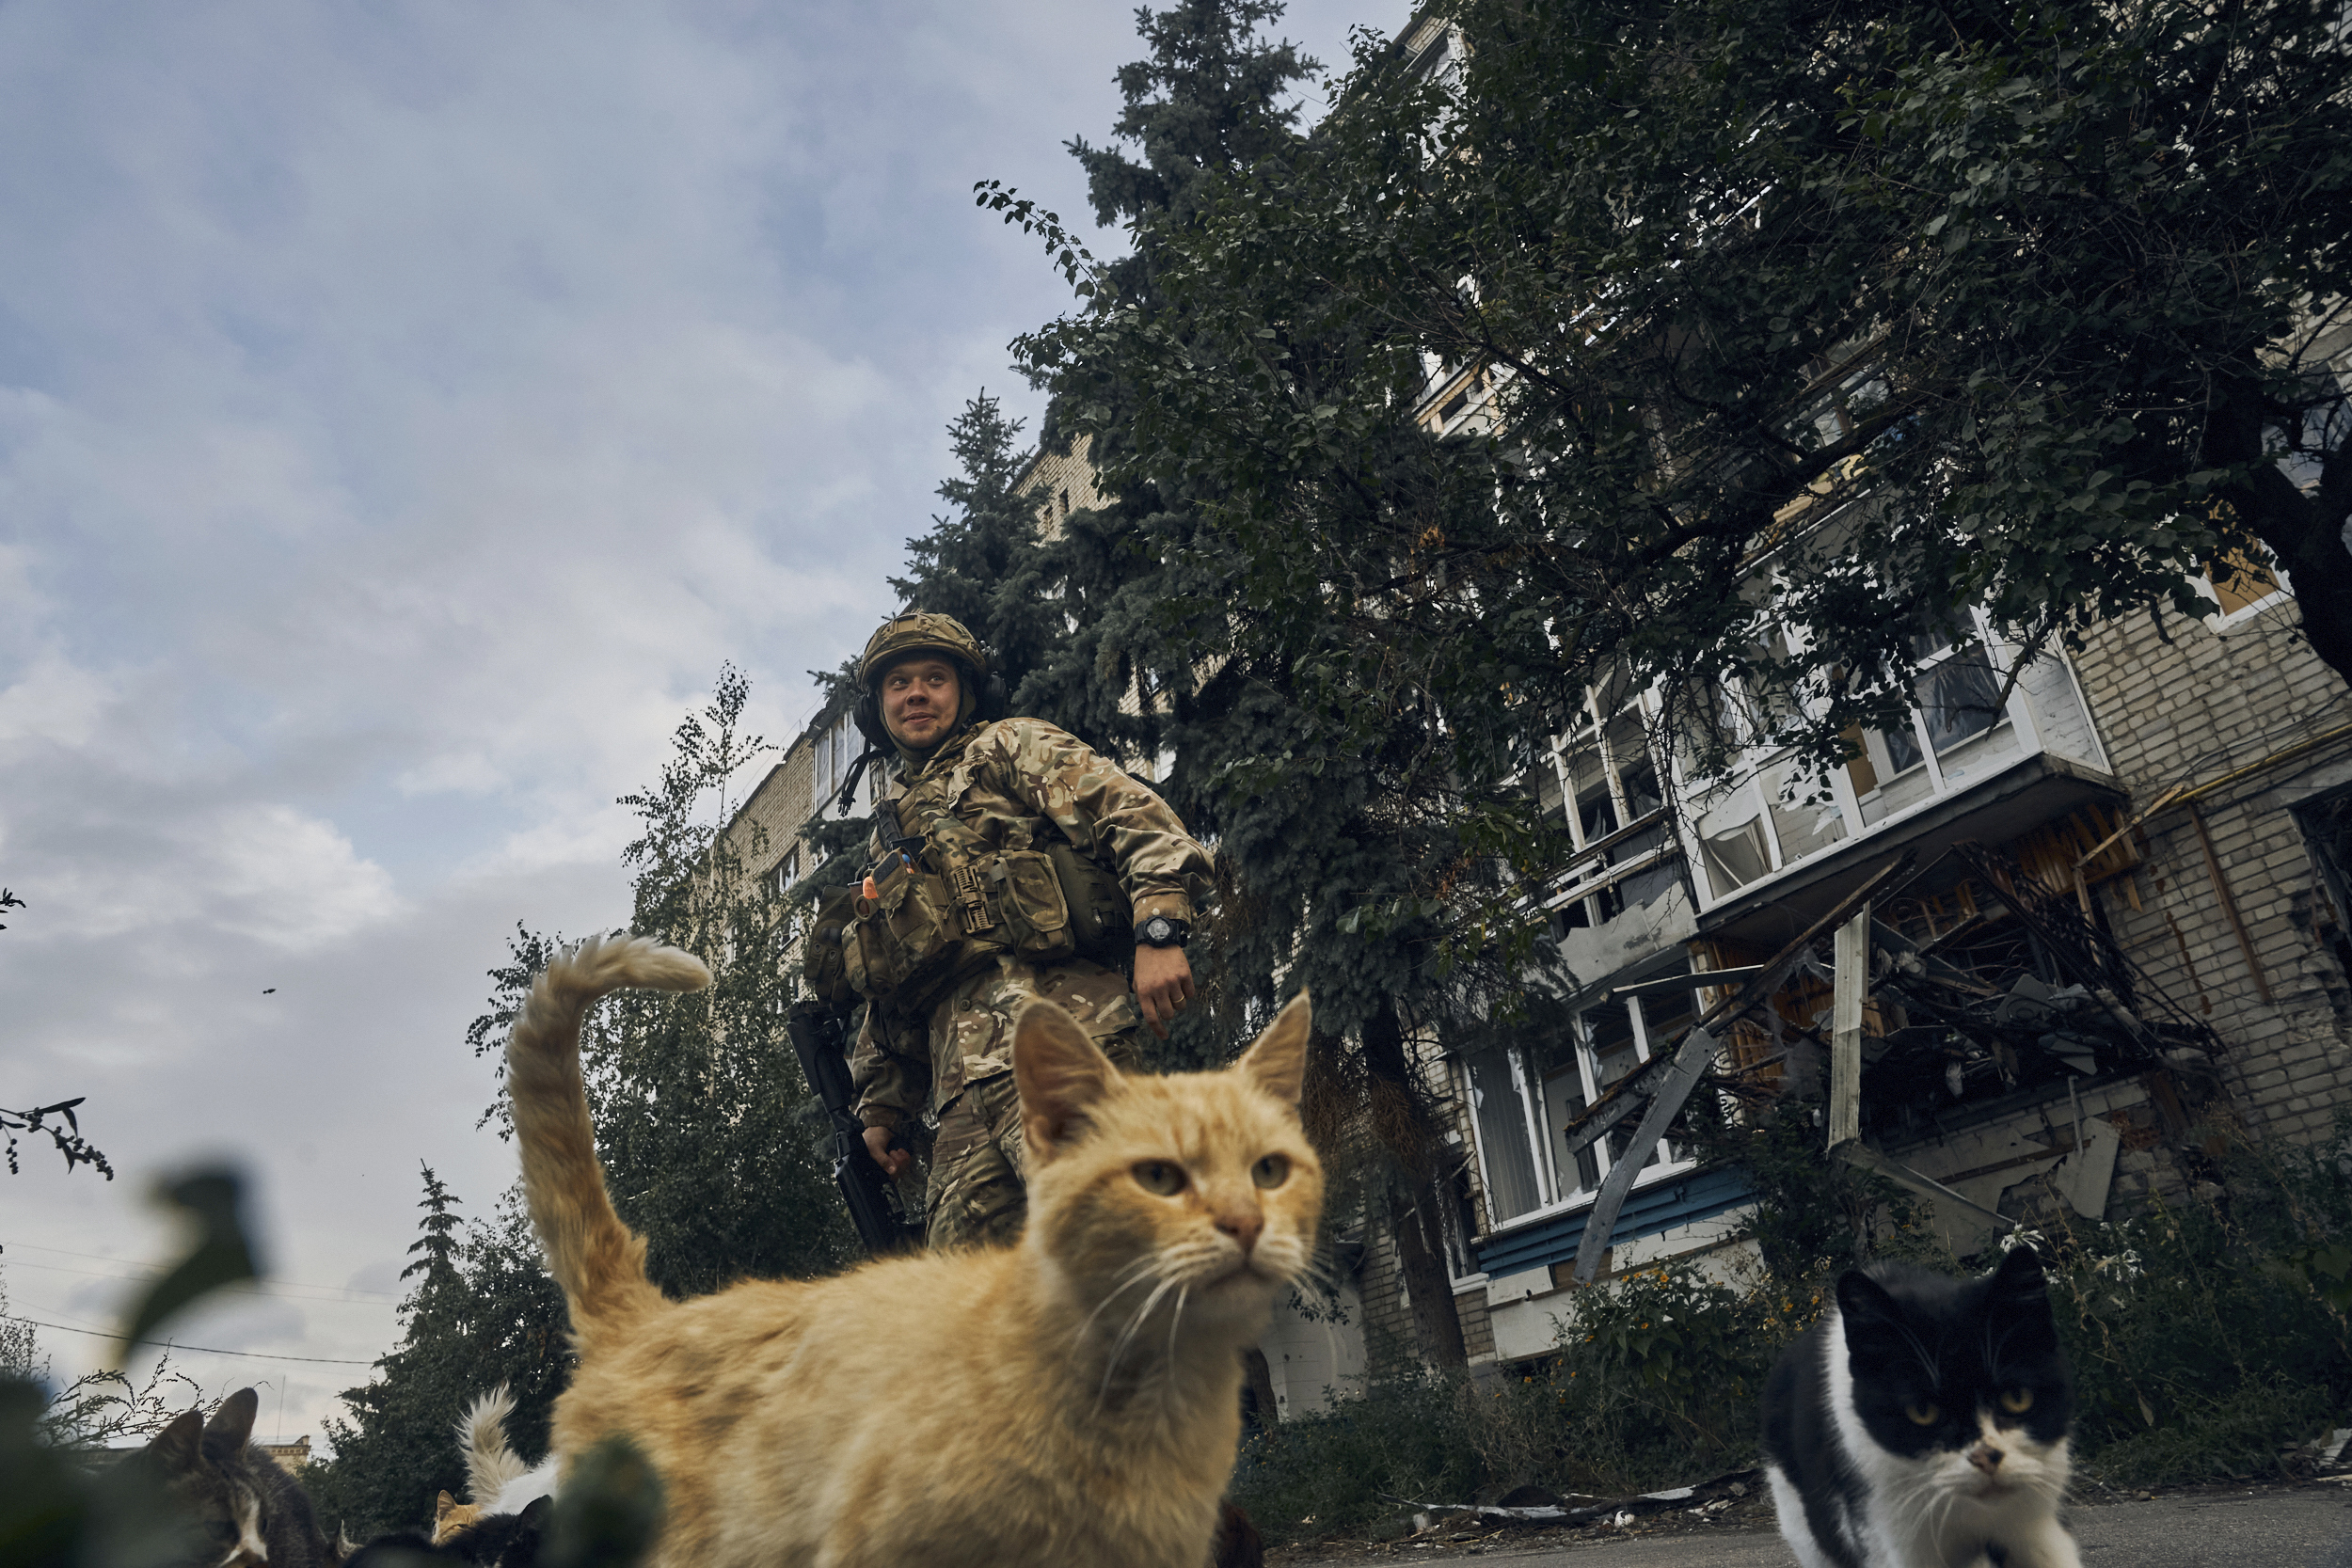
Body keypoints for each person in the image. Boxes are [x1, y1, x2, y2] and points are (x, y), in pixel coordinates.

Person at [840, 610, 1214, 1249]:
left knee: (1111, 1247)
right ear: (878, 706)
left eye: (934, 678)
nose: (917, 695)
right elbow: (895, 982)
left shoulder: (1009, 746)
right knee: (963, 1291)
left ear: (965, 692)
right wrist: (881, 1107)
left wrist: (1158, 929)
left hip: (1067, 1048)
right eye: (899, 683)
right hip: (963, 1096)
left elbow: (1131, 812)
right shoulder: (889, 832)